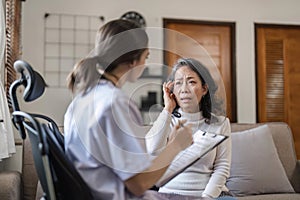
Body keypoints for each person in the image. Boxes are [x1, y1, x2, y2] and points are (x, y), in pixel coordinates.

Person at [63, 19, 195, 200]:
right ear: (134, 61)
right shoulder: (116, 104)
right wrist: (176, 146)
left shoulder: (80, 100)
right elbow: (138, 184)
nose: (145, 63)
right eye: (146, 57)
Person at [146, 58, 236, 199]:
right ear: (172, 90)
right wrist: (167, 109)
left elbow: (222, 168)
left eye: (191, 82)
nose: (184, 89)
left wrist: (206, 197)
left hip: (208, 195)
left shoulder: (221, 123)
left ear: (204, 89)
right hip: (169, 195)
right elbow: (152, 149)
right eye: (178, 83)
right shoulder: (167, 120)